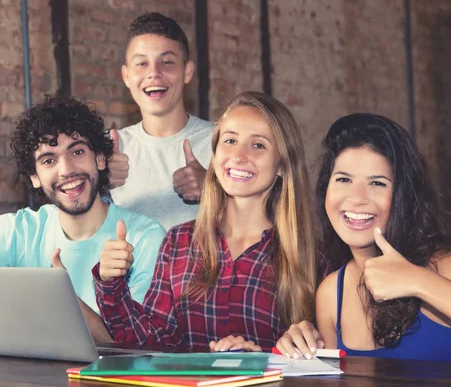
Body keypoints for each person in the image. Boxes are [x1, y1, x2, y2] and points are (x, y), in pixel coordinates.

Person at [0, 96, 166, 343]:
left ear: (99, 158)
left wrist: (63, 297)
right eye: (49, 160)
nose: (67, 170)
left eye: (77, 152)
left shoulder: (145, 236)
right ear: (35, 177)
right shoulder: (22, 231)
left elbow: (131, 344)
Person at [93, 91, 317, 351]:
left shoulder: (309, 256)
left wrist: (267, 356)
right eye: (230, 140)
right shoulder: (178, 242)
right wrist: (111, 284)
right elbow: (153, 342)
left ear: (283, 164)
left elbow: (322, 358)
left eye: (258, 145)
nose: (238, 156)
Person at [278, 113, 451, 362]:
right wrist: (302, 347)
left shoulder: (446, 266)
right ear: (326, 191)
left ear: (403, 198)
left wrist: (420, 281)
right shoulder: (332, 293)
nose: (356, 197)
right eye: (343, 179)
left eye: (377, 183)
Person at [108, 12, 214, 230]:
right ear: (126, 76)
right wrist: (95, 183)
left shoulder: (223, 143)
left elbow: (267, 216)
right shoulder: (105, 151)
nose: (154, 73)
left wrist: (215, 190)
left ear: (187, 72)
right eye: (142, 64)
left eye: (167, 62)